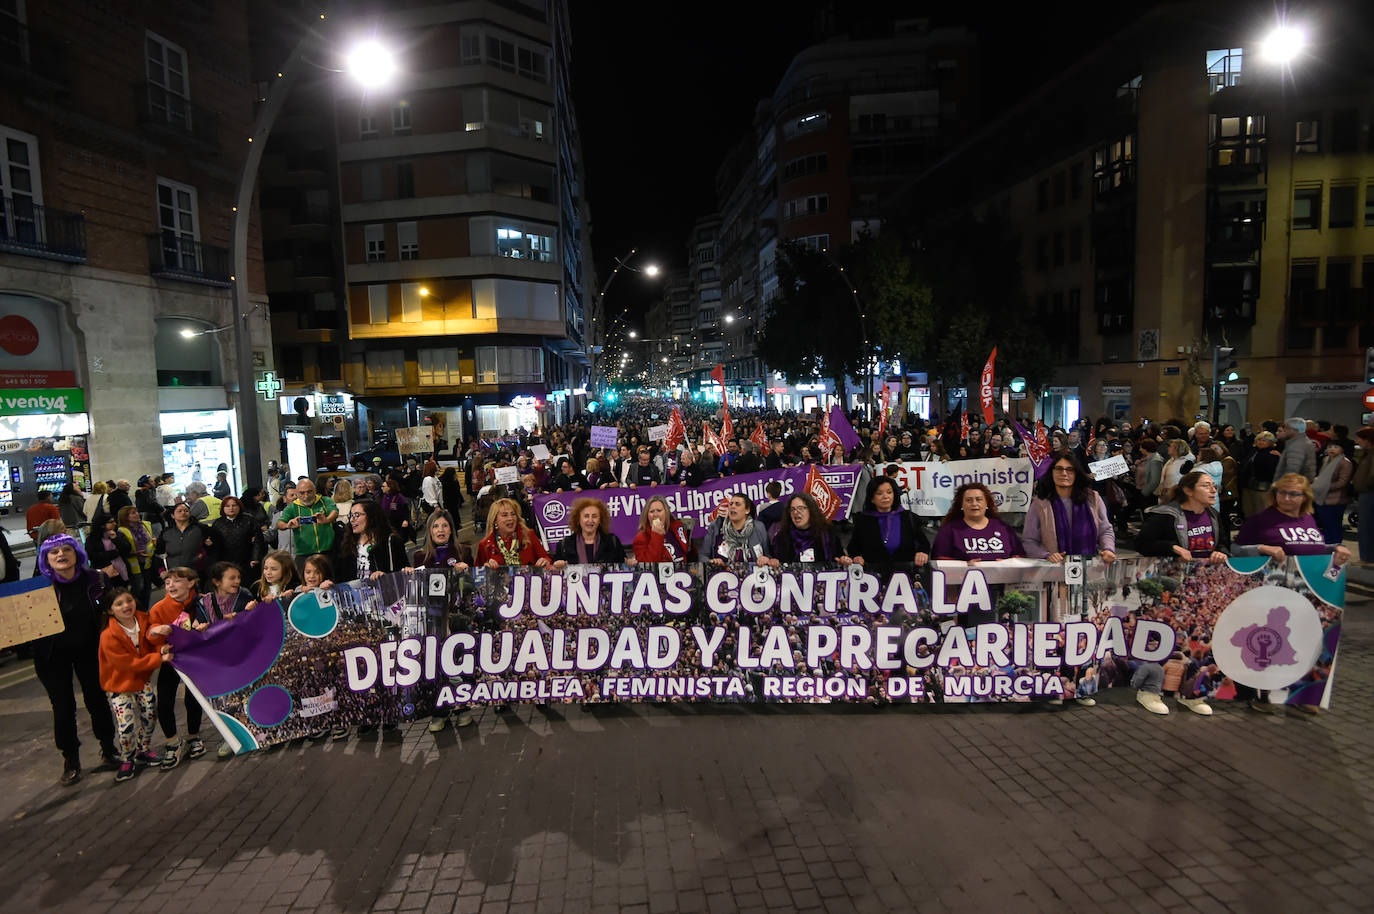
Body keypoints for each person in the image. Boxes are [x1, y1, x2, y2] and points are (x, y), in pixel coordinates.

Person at [33, 534, 119, 785]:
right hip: (51, 655)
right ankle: (71, 759)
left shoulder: (96, 579)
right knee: (62, 706)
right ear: (46, 558)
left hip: (90, 650)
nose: (61, 555)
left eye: (66, 549)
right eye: (54, 552)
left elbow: (113, 609)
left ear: (76, 553)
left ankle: (109, 748)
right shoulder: (38, 586)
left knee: (97, 699)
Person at [98, 588, 172, 781]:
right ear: (110, 611)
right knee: (126, 726)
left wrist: (160, 646)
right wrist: (159, 658)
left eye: (129, 600)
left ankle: (143, 749)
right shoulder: (108, 635)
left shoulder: (144, 618)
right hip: (118, 686)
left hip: (141, 680)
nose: (126, 606)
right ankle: (127, 758)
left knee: (150, 714)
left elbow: (152, 639)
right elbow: (126, 664)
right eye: (119, 604)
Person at [147, 567, 205, 768]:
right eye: (167, 582)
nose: (171, 585)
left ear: (191, 582)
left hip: (195, 660)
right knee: (164, 701)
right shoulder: (159, 609)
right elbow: (150, 636)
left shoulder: (202, 602)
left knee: (193, 698)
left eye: (177, 581)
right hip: (170, 660)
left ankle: (194, 736)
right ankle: (172, 742)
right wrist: (159, 640)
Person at [1022, 450, 1117, 564]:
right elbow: (1029, 541)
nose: (1064, 473)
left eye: (1069, 469)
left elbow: (1105, 530)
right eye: (1059, 469)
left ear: (1076, 473)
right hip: (1053, 569)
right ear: (1051, 472)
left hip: (1088, 568)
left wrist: (1108, 549)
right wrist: (1046, 555)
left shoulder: (1093, 499)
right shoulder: (1040, 503)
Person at [1234, 474, 1350, 564]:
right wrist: (1261, 549)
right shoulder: (1260, 520)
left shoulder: (1308, 518)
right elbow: (1235, 550)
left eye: (1293, 494)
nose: (1286, 498)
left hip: (1312, 582)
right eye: (1282, 493)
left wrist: (1335, 548)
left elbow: (1308, 546)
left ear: (1305, 497)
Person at [1136, 471, 1230, 564]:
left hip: (1207, 572)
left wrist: (1221, 553)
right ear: (1188, 491)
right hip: (1174, 572)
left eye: (1214, 486)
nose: (1213, 490)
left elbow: (1222, 543)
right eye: (1206, 486)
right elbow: (1142, 544)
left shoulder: (1213, 514)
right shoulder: (1165, 515)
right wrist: (1172, 548)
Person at [848, 477, 931, 568]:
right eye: (879, 493)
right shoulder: (863, 520)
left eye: (889, 492)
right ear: (872, 498)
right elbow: (853, 547)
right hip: (874, 576)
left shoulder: (909, 518)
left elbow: (924, 544)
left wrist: (922, 553)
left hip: (906, 575)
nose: (886, 496)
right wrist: (856, 557)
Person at [930, 482, 1025, 562]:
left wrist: (1007, 564)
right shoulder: (949, 530)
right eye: (968, 500)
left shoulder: (1003, 528)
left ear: (987, 503)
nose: (974, 504)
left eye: (979, 499)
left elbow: (1020, 557)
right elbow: (939, 559)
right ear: (961, 505)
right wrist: (964, 566)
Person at [336, 500, 407, 582]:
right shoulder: (347, 542)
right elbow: (341, 574)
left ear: (371, 516)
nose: (352, 520)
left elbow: (403, 571)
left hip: (383, 591)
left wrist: (384, 576)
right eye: (350, 515)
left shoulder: (391, 541)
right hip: (357, 592)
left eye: (356, 515)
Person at [768, 493, 848, 564]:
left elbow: (839, 558)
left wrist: (843, 560)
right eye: (792, 509)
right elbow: (775, 562)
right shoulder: (781, 537)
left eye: (801, 508)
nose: (796, 512)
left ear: (811, 510)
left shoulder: (828, 533)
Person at [552, 498, 629, 567]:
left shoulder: (612, 541)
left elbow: (623, 566)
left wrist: (629, 563)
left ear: (600, 520)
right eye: (586, 516)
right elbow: (555, 572)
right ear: (578, 519)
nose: (590, 520)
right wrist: (557, 566)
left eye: (594, 516)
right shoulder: (564, 544)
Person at [476, 498, 552, 567]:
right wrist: (485, 568)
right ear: (495, 520)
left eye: (513, 514)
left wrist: (545, 561)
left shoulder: (529, 535)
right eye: (504, 515)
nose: (510, 518)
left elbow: (546, 558)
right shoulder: (485, 544)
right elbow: (477, 572)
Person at [699, 493, 771, 566]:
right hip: (723, 575)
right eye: (731, 504)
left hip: (752, 575)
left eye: (737, 504)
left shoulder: (759, 527)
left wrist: (766, 559)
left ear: (747, 510)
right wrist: (712, 562)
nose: (733, 506)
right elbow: (702, 556)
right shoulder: (716, 527)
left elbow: (769, 556)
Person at [278, 477, 339, 563]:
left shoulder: (325, 501)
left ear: (315, 490)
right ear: (297, 493)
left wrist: (327, 519)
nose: (306, 496)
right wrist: (287, 525)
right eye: (302, 493)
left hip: (327, 552)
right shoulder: (292, 507)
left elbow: (334, 511)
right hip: (304, 555)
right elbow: (280, 523)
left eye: (309, 492)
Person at [205, 496, 265, 582]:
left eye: (234, 505)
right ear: (223, 508)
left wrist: (255, 557)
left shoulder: (249, 520)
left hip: (246, 559)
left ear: (239, 506)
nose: (231, 508)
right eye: (227, 506)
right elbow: (215, 546)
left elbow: (259, 540)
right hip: (226, 561)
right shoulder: (218, 523)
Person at [1312, 441, 1354, 545]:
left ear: (1342, 449)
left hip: (1336, 499)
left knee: (1334, 526)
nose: (1332, 449)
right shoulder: (1326, 460)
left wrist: (1324, 487)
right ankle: (1327, 546)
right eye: (1330, 447)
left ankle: (1335, 547)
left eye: (1336, 447)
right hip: (1322, 497)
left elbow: (1342, 482)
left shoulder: (1345, 463)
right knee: (1325, 525)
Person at [631, 496, 696, 563]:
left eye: (659, 511)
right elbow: (649, 564)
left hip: (683, 571)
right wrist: (657, 535)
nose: (655, 515)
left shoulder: (676, 529)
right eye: (651, 511)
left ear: (666, 512)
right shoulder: (641, 538)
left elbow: (690, 556)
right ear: (647, 515)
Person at [155, 503, 206, 584]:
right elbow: (158, 553)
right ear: (172, 515)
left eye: (186, 511)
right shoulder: (166, 532)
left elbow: (211, 546)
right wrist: (162, 571)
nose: (183, 513)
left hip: (196, 572)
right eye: (179, 511)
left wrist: (202, 555)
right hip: (174, 574)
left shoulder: (200, 529)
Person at [85, 514, 132, 585]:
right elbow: (92, 556)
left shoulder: (118, 534)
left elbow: (127, 549)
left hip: (122, 569)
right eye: (111, 522)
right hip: (104, 572)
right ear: (102, 525)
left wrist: (116, 539)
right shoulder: (92, 539)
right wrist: (114, 553)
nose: (115, 524)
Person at [1354, 427, 1374, 563]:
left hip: (1369, 493)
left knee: (1366, 526)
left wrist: (1364, 485)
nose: (1357, 441)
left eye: (1360, 439)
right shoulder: (1367, 453)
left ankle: (1367, 558)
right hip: (1366, 492)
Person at [1274, 416, 1317, 481]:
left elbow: (1292, 470)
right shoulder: (1304, 441)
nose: (1284, 430)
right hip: (1301, 484)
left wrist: (1284, 485)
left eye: (1286, 428)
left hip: (1293, 485)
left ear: (1294, 430)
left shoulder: (1296, 446)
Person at [377, 475, 412, 542]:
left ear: (390, 487)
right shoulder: (383, 497)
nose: (382, 488)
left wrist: (405, 520)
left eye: (383, 486)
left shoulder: (399, 497)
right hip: (388, 524)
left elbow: (406, 510)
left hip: (398, 524)